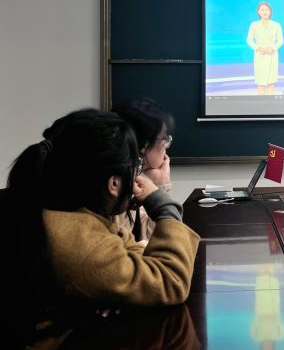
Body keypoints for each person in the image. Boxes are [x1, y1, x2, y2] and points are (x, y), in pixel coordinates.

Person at [4, 109, 199, 345]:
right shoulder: (80, 238)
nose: (138, 175)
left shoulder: (65, 208)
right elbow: (171, 281)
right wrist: (162, 204)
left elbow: (133, 256)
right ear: (114, 183)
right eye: (136, 166)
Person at [112, 98, 174, 243]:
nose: (166, 146)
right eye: (164, 139)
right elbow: (162, 240)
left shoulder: (133, 176)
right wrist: (161, 189)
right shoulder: (116, 185)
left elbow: (145, 233)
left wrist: (156, 189)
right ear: (144, 147)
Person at [246, 1, 284, 95]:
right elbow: (249, 40)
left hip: (272, 56)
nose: (264, 12)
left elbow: (280, 41)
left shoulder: (276, 25)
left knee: (271, 84)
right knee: (261, 84)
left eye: (266, 10)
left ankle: (271, 103)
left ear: (270, 12)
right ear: (258, 12)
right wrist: (258, 48)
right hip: (260, 56)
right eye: (262, 10)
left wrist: (273, 48)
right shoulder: (254, 25)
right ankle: (261, 104)